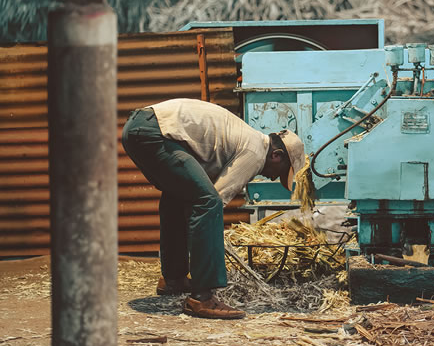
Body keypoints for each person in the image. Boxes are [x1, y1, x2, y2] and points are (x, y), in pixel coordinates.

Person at [121, 98, 304, 318]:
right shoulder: (255, 153)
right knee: (208, 203)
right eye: (281, 172)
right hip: (155, 132)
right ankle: (202, 298)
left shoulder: (246, 137)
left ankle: (174, 279)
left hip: (139, 127)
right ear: (277, 155)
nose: (274, 177)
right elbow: (215, 200)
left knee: (177, 197)